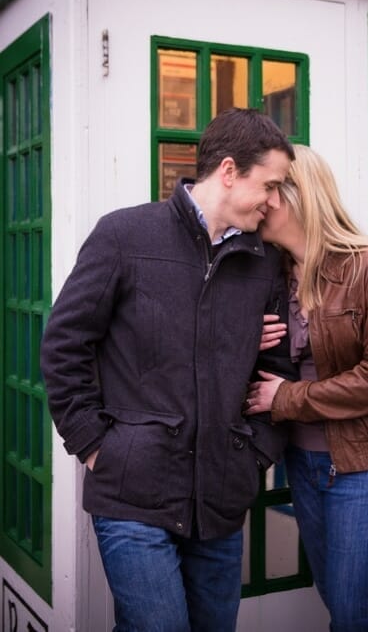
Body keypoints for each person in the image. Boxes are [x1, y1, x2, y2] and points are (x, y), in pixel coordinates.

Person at [41, 108, 295, 632]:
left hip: (220, 499)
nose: (274, 202)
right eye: (269, 185)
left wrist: (254, 456)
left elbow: (275, 368)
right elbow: (65, 344)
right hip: (132, 493)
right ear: (229, 171)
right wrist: (95, 446)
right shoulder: (124, 235)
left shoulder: (265, 261)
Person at [245, 143, 368, 632]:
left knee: (357, 614)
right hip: (301, 462)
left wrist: (287, 398)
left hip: (365, 463)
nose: (260, 199)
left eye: (271, 188)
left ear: (300, 194)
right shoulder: (266, 272)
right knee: (335, 598)